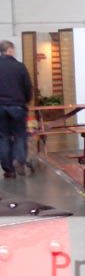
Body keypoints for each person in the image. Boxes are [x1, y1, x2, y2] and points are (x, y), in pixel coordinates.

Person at [0, 40, 33, 178]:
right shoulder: (20, 67)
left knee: (3, 138)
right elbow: (27, 87)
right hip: (17, 106)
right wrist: (25, 101)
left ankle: (8, 170)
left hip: (0, 107)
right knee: (20, 136)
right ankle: (19, 161)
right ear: (11, 50)